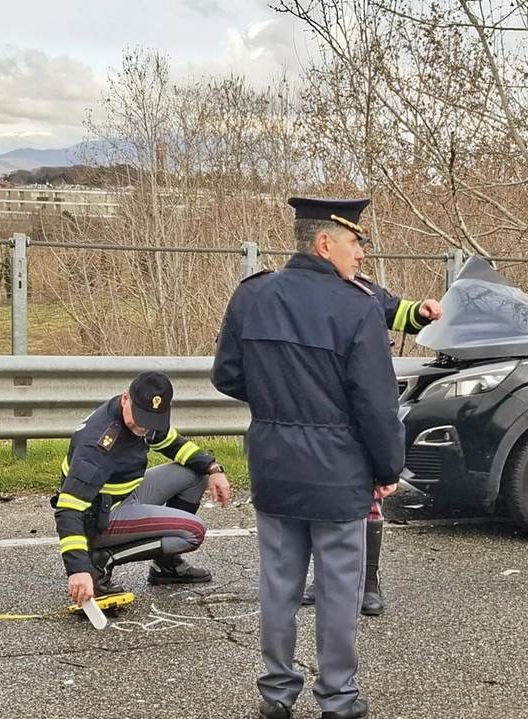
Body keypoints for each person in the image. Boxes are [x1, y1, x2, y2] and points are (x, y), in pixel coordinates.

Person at [212, 195, 405, 719]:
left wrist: (280, 400)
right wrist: (387, 469)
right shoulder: (358, 306)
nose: (361, 254)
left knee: (278, 585)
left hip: (274, 463)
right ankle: (338, 699)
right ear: (325, 243)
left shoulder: (252, 295)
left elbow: (226, 374)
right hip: (339, 470)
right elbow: (376, 402)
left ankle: (276, 694)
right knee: (340, 591)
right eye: (354, 242)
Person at [301, 277, 442, 615]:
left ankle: (368, 583)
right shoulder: (301, 290)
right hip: (318, 409)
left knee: (368, 498)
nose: (360, 254)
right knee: (322, 500)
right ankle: (325, 580)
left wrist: (419, 312)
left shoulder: (362, 288)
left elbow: (392, 309)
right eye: (353, 244)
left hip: (357, 406)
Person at [54, 371, 231, 608]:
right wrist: (78, 569)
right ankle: (101, 561)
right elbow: (68, 508)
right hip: (99, 515)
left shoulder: (145, 418)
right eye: (138, 420)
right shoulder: (97, 445)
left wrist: (213, 468)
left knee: (195, 474)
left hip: (125, 494)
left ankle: (165, 565)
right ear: (126, 398)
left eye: (149, 422)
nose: (143, 428)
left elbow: (173, 443)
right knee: (193, 532)